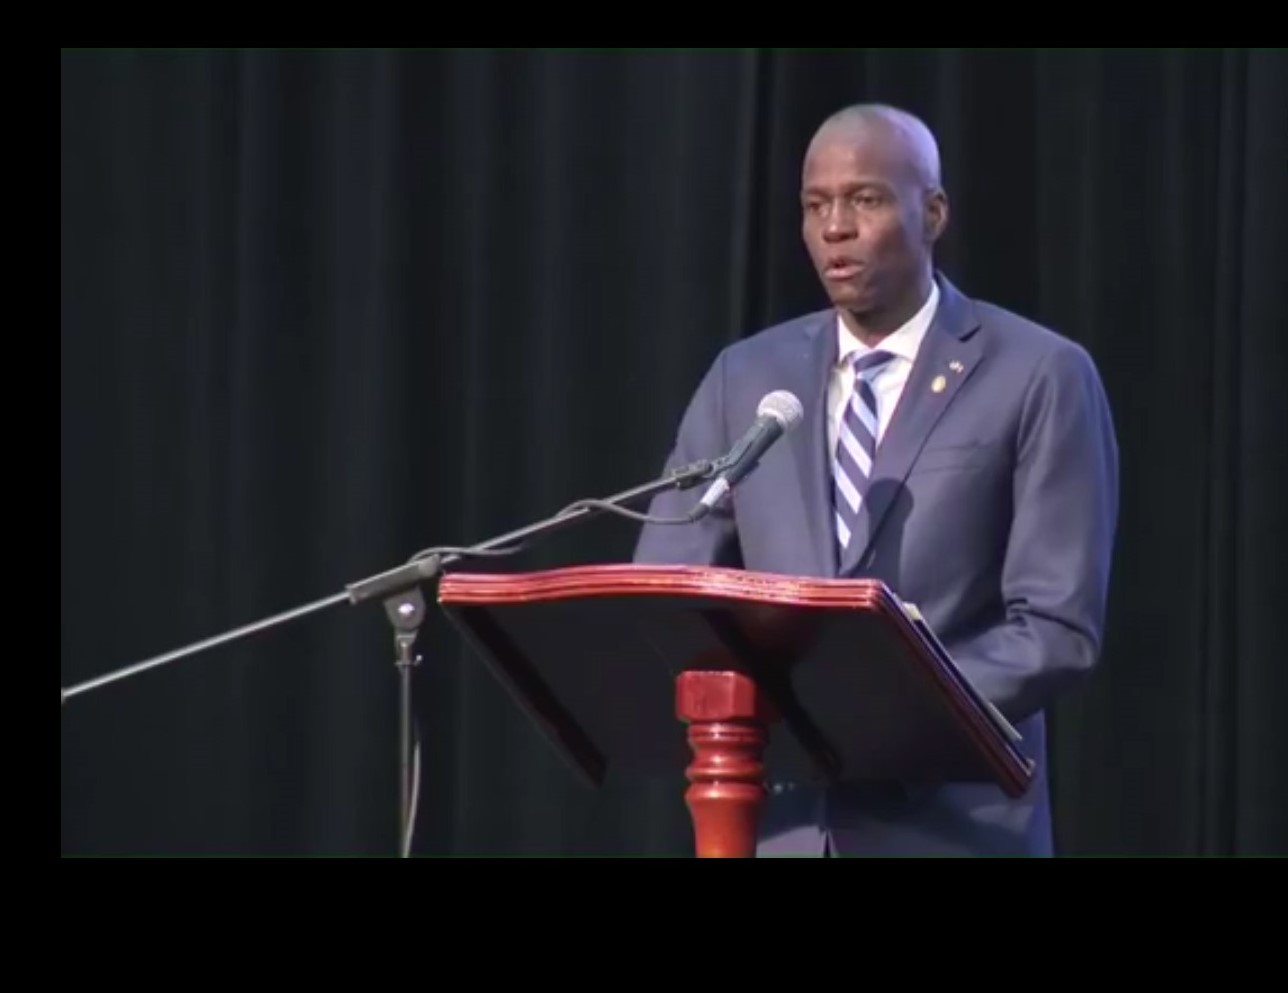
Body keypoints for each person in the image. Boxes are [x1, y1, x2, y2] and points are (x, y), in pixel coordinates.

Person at [633, 102, 1119, 857]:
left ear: (932, 213)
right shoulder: (746, 379)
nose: (835, 228)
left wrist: (877, 712)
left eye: (864, 199)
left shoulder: (1038, 373)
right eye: (815, 205)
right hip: (782, 828)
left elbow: (1056, 630)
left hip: (952, 828)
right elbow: (668, 581)